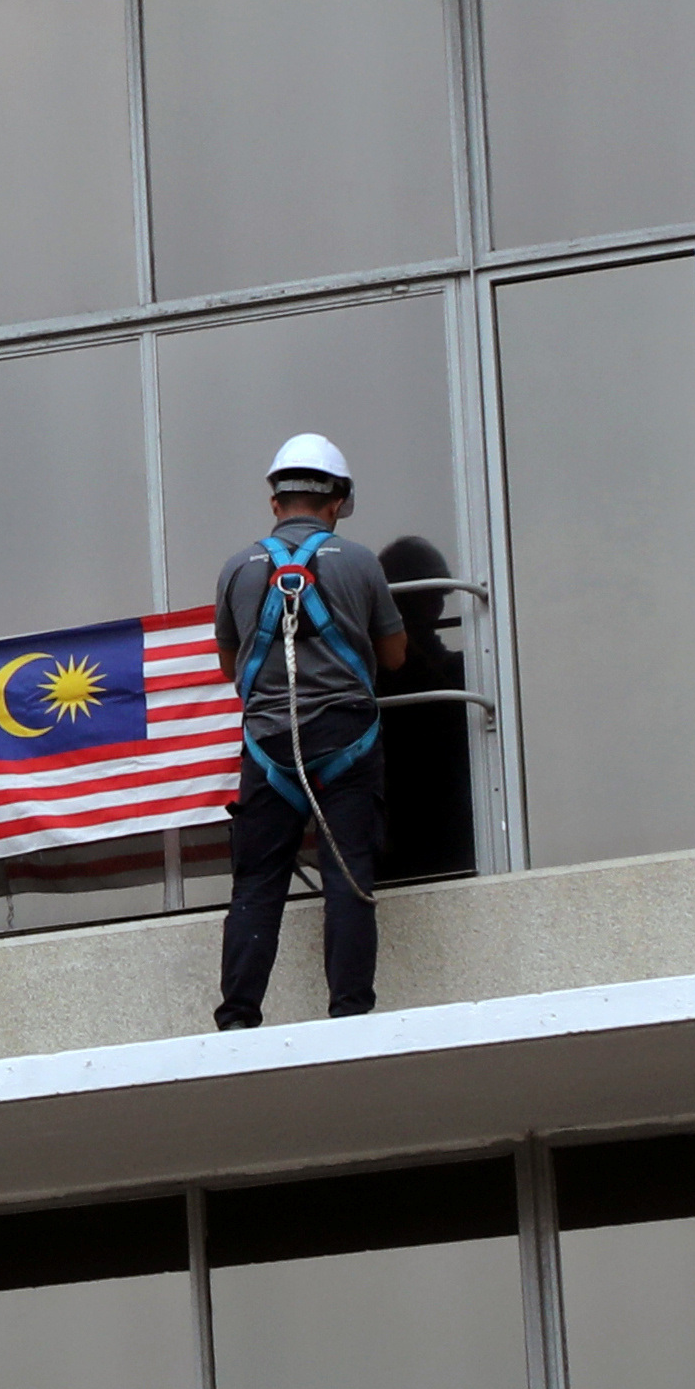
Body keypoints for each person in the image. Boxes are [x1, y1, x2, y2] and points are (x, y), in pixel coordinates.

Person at [212, 433, 406, 1029]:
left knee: (257, 884)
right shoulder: (361, 562)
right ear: (338, 502)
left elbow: (229, 666)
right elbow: (394, 656)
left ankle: (238, 1018)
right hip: (347, 740)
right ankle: (350, 1013)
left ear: (275, 502)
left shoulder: (237, 569)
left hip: (269, 745)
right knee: (347, 875)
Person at [375, 533, 479, 881]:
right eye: (425, 596)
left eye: (436, 597)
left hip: (448, 811)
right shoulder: (364, 668)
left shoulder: (457, 670)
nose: (432, 605)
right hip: (395, 812)